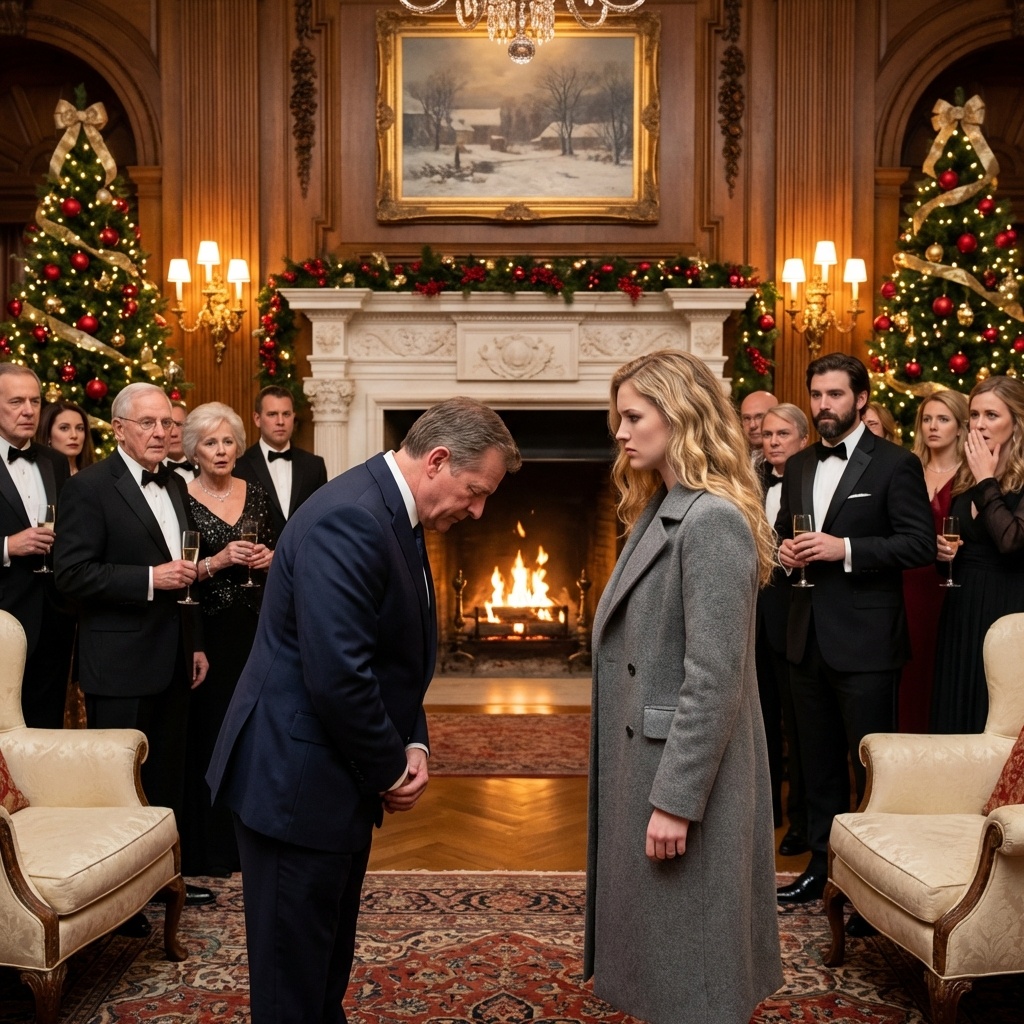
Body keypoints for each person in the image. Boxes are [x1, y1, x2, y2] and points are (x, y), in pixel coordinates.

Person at [207, 397, 520, 1024]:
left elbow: (393, 654)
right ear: (437, 460)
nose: (478, 510)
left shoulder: (392, 507)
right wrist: (390, 770)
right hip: (294, 783)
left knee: (322, 971)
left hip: (327, 777)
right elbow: (339, 677)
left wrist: (414, 740)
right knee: (291, 990)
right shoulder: (351, 517)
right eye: (475, 491)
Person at [584, 351, 782, 1024]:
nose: (620, 432)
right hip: (649, 762)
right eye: (619, 418)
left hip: (685, 775)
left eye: (633, 417)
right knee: (671, 958)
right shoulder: (663, 507)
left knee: (695, 964)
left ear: (680, 416)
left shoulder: (711, 520)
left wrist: (675, 800)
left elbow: (715, 677)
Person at [53, 382, 216, 931]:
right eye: (148, 423)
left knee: (168, 776)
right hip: (119, 661)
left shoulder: (175, 483)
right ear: (119, 429)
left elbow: (185, 572)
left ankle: (165, 881)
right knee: (121, 784)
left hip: (174, 654)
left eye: (167, 423)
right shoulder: (89, 487)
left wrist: (195, 642)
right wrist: (149, 579)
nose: (161, 432)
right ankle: (119, 900)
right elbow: (71, 575)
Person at [774, 353, 934, 907]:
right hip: (805, 638)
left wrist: (843, 549)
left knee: (872, 771)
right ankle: (822, 868)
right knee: (817, 766)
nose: (824, 405)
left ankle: (874, 886)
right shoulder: (799, 465)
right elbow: (782, 533)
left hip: (867, 644)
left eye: (835, 395)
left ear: (861, 399)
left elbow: (918, 544)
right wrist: (785, 552)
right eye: (817, 395)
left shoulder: (895, 463)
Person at [180, 402, 276, 878]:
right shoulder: (180, 496)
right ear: (194, 451)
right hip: (207, 633)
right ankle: (212, 848)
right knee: (212, 736)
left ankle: (251, 844)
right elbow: (179, 571)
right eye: (209, 443)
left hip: (257, 629)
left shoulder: (257, 493)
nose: (220, 450)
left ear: (238, 446)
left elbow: (285, 548)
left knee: (255, 736)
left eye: (227, 441)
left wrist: (270, 557)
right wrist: (217, 562)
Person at [931, 376, 1024, 733]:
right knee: (957, 710)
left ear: (1016, 422)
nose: (979, 424)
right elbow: (955, 556)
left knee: (996, 716)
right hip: (962, 610)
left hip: (1007, 610)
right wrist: (944, 553)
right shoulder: (966, 476)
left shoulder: (994, 478)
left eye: (991, 415)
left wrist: (987, 480)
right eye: (974, 415)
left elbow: (1011, 542)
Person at [0, 364, 71, 728]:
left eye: (35, 401)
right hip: (3, 613)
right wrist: (8, 545)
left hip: (53, 618)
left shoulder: (54, 461)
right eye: (16, 402)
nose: (28, 410)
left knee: (46, 727)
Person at [757, 403, 809, 856]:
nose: (772, 441)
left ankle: (801, 821)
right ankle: (765, 812)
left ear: (803, 439)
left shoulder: (812, 480)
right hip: (751, 615)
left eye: (782, 434)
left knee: (798, 724)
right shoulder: (749, 479)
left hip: (795, 616)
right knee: (759, 721)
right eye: (767, 434)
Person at [900, 390, 969, 732]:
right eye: (927, 419)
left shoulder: (972, 474)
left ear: (960, 427)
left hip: (951, 587)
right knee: (907, 669)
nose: (933, 426)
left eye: (943, 419)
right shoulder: (906, 468)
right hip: (907, 583)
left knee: (941, 667)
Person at [233, 385, 328, 538]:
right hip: (257, 552)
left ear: (293, 417)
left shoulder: (314, 465)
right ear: (257, 419)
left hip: (302, 552)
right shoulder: (239, 466)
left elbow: (322, 518)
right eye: (272, 414)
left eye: (286, 414)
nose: (280, 421)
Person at [36, 399, 94, 475]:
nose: (74, 435)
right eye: (64, 428)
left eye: (80, 428)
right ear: (48, 435)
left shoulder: (95, 474)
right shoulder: (36, 475)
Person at [739, 389, 778, 465]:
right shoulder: (734, 458)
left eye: (759, 417)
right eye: (747, 418)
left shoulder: (787, 463)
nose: (752, 425)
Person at [165, 400, 197, 481]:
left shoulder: (205, 467)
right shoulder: (148, 472)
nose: (174, 434)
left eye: (179, 424)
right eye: (167, 425)